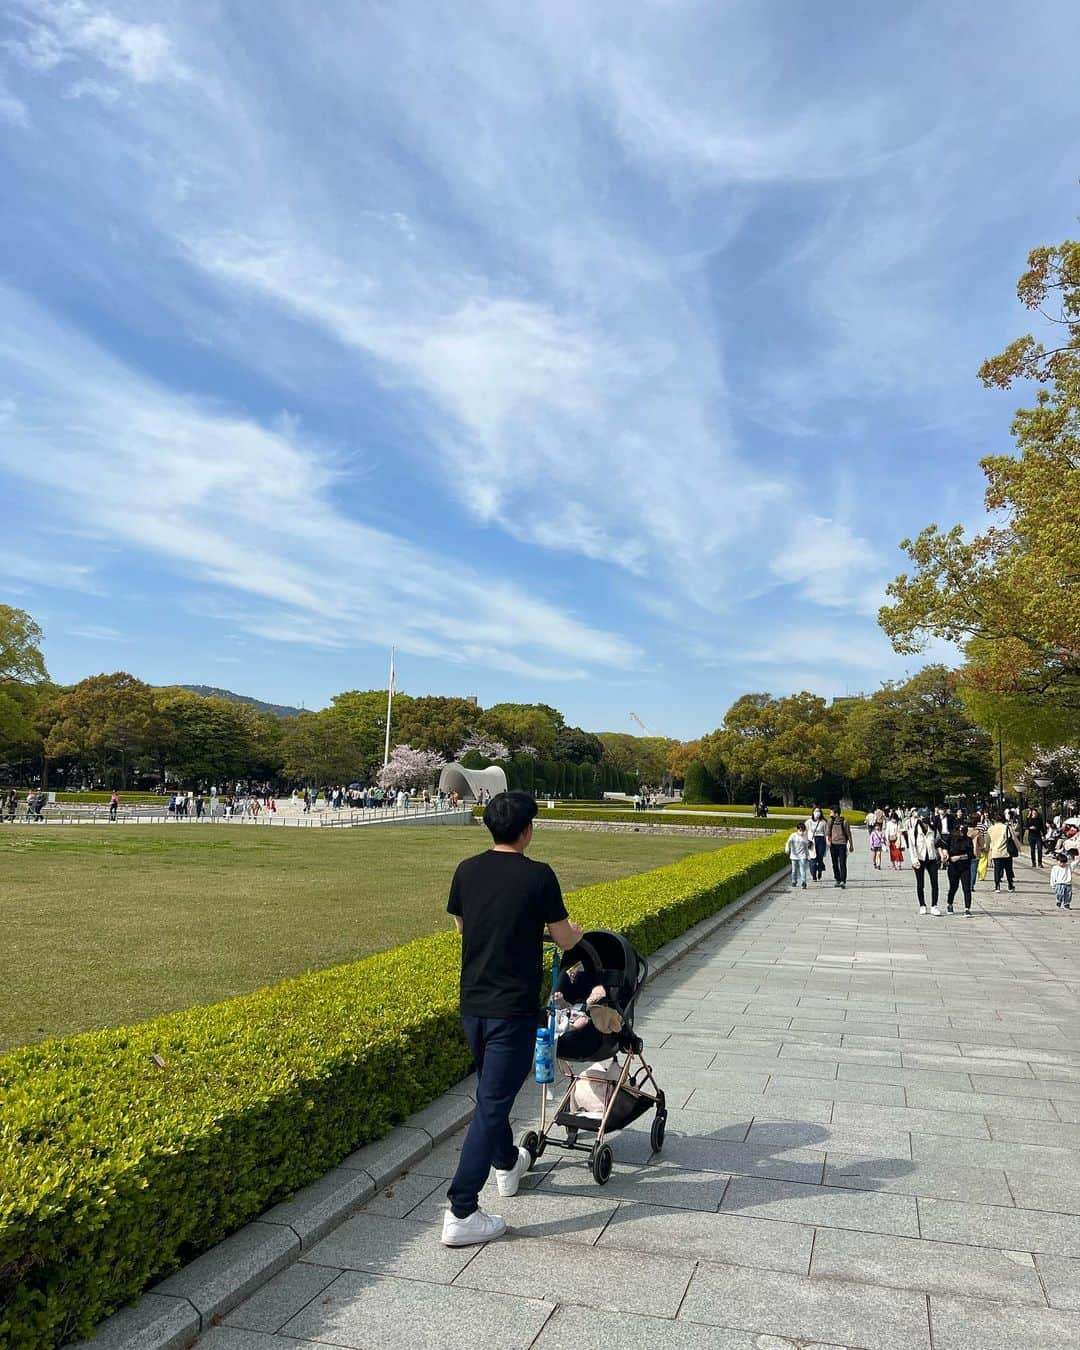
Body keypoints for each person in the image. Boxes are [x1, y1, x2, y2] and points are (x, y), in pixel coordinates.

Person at [443, 790, 583, 1247]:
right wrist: (570, 932)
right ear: (527, 830)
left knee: (492, 1095)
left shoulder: (467, 869)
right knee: (491, 1104)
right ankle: (462, 1210)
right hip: (513, 1008)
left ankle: (508, 1164)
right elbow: (565, 939)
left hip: (473, 1004)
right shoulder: (539, 876)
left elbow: (463, 926)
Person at [908, 810, 946, 915]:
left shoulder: (933, 829)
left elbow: (938, 843)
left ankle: (934, 905)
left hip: (932, 858)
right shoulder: (913, 830)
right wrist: (914, 860)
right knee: (920, 884)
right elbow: (912, 847)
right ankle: (922, 905)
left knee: (935, 882)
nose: (925, 818)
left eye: (927, 816)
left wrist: (942, 853)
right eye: (923, 816)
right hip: (919, 859)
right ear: (919, 817)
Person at [945, 822, 976, 915]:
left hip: (965, 866)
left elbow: (971, 855)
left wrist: (959, 857)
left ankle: (967, 908)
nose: (961, 831)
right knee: (953, 887)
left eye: (963, 829)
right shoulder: (951, 839)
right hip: (953, 867)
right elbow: (942, 846)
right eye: (959, 829)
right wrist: (945, 854)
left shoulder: (968, 840)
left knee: (966, 887)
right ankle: (950, 903)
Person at [986, 814, 1019, 893]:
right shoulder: (1006, 827)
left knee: (997, 869)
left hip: (995, 852)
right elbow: (1014, 838)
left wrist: (987, 851)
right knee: (1008, 869)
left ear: (994, 820)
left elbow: (987, 841)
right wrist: (1018, 848)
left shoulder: (990, 829)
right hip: (1006, 852)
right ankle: (1010, 885)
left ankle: (997, 886)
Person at [826, 806, 854, 888]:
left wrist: (851, 845)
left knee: (842, 863)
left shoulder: (844, 822)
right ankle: (837, 879)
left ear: (836, 813)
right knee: (834, 863)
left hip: (842, 844)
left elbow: (848, 834)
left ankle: (843, 880)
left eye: (831, 812)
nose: (830, 814)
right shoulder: (830, 821)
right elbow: (827, 833)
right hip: (833, 845)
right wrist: (828, 841)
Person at [785, 821, 810, 889]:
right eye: (800, 830)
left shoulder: (805, 837)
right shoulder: (793, 835)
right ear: (797, 829)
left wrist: (808, 855)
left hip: (802, 855)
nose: (801, 832)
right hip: (794, 855)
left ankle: (804, 882)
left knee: (802, 869)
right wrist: (787, 849)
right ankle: (794, 881)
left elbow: (806, 847)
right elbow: (788, 842)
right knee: (794, 870)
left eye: (803, 830)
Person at [806, 807, 828, 881]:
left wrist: (827, 842)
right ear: (813, 812)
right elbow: (804, 831)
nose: (817, 812)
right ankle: (813, 875)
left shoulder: (823, 822)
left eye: (818, 811)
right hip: (812, 841)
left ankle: (820, 870)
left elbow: (826, 833)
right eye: (815, 811)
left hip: (821, 840)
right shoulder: (808, 822)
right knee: (813, 858)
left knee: (820, 858)